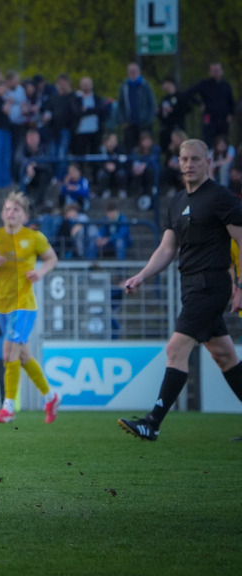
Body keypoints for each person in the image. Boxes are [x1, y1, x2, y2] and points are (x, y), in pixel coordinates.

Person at [118, 139, 242, 441]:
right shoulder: (176, 202)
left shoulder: (221, 198)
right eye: (184, 159)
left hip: (211, 285)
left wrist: (240, 286)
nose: (188, 164)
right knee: (224, 355)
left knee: (175, 349)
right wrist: (142, 276)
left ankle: (152, 422)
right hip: (190, 285)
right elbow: (166, 248)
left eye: (195, 159)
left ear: (208, 161)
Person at [0, 191, 61, 424]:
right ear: (2, 213)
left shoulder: (34, 238)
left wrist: (40, 272)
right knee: (23, 355)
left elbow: (52, 258)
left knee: (9, 353)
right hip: (2, 306)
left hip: (24, 305)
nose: (10, 213)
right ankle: (51, 396)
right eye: (7, 209)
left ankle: (8, 408)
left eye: (15, 210)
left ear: (24, 215)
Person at [185, 63, 235, 147]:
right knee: (209, 140)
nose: (216, 73)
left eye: (217, 70)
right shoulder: (204, 84)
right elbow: (188, 93)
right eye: (213, 71)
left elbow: (231, 101)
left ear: (222, 71)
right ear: (210, 72)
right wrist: (199, 103)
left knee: (223, 140)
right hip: (210, 118)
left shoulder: (226, 85)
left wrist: (231, 113)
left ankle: (223, 158)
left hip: (223, 119)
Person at [115, 62, 156, 152]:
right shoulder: (124, 86)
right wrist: (123, 120)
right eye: (130, 71)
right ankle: (131, 165)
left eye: (134, 70)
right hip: (129, 123)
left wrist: (149, 120)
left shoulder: (145, 85)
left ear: (139, 72)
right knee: (129, 146)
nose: (132, 72)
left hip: (143, 123)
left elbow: (152, 104)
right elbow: (120, 104)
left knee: (145, 146)